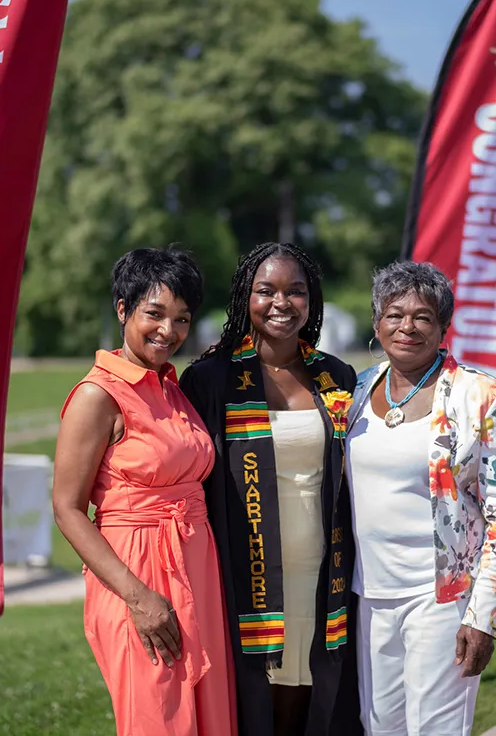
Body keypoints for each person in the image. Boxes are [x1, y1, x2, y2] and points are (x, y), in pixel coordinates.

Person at [52, 247, 236, 736]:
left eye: (180, 319)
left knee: (209, 716)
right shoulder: (98, 396)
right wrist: (138, 598)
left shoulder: (172, 386)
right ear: (122, 309)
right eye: (154, 313)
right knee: (159, 718)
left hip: (195, 563)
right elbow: (67, 509)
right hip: (136, 572)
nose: (167, 331)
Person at [180, 242, 360, 736]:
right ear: (245, 297)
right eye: (267, 290)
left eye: (295, 291)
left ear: (312, 300)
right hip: (249, 570)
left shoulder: (334, 376)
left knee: (310, 685)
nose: (282, 303)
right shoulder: (212, 379)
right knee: (257, 693)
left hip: (323, 569)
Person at [346, 260, 496, 736]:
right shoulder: (355, 390)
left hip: (442, 599)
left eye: (423, 316)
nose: (407, 327)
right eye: (394, 314)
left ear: (443, 326)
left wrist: (484, 616)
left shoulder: (482, 397)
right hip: (370, 597)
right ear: (377, 322)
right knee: (379, 728)